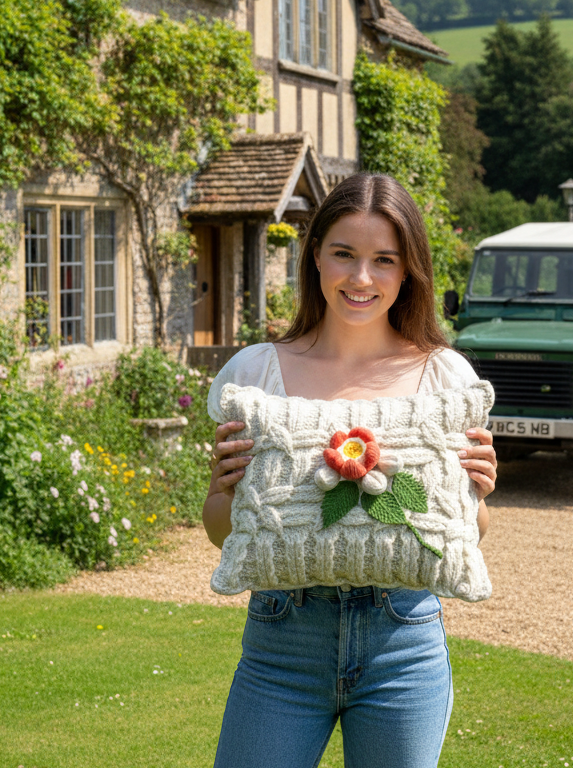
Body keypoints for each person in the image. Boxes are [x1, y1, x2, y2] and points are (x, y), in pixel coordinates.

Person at [203, 173, 497, 768]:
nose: (361, 278)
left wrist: (478, 497)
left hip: (404, 642)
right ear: (315, 257)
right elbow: (220, 530)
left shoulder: (445, 379)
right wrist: (219, 490)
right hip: (283, 641)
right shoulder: (257, 372)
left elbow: (469, 532)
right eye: (344, 254)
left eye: (384, 260)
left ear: (407, 270)